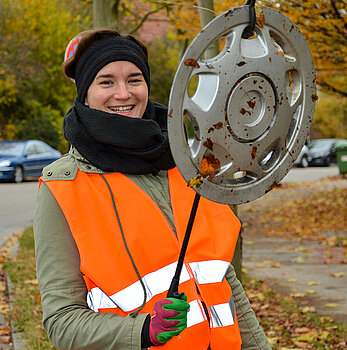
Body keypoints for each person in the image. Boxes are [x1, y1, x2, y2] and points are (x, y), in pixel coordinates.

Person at [34, 28, 272, 350]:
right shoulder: (64, 186)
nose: (123, 93)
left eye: (134, 79)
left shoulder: (186, 163)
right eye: (106, 81)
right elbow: (62, 322)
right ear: (85, 94)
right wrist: (143, 330)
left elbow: (223, 278)